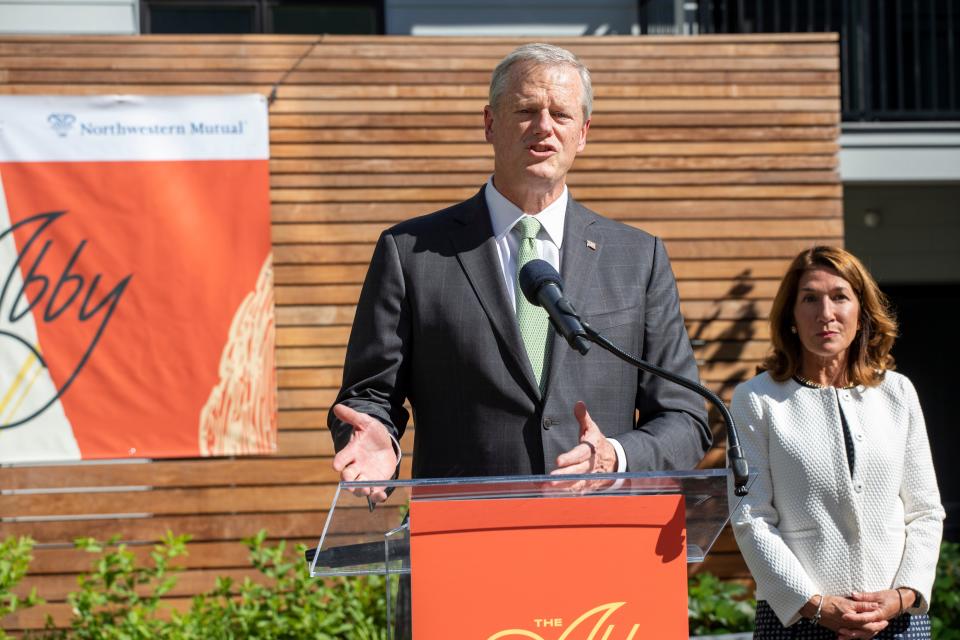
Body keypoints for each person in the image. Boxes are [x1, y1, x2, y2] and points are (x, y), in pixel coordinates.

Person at [328, 43, 711, 500]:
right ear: (490, 124)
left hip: (605, 537)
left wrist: (617, 457)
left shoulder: (638, 258)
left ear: (583, 133)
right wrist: (378, 442)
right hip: (466, 536)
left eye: (562, 115)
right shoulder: (411, 253)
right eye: (526, 110)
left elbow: (684, 418)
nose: (544, 128)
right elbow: (369, 395)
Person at [729, 246, 944, 639]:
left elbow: (926, 511)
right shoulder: (756, 399)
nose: (825, 313)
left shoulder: (898, 393)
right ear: (791, 316)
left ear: (861, 311)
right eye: (809, 298)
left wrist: (902, 596)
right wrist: (815, 604)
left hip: (897, 622)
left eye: (839, 297)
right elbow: (751, 516)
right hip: (796, 621)